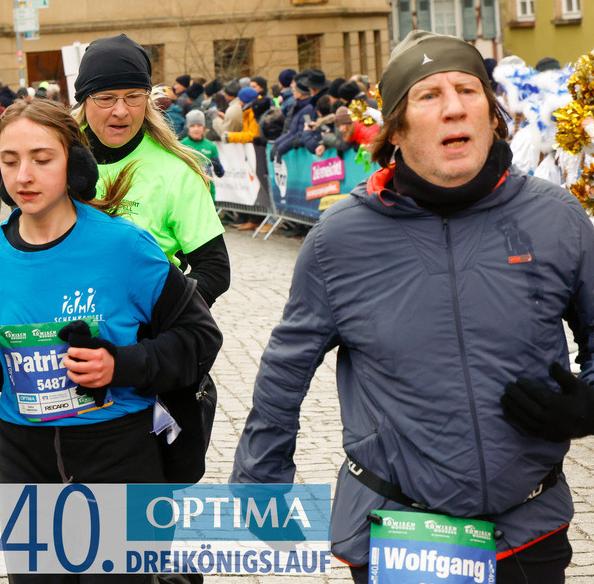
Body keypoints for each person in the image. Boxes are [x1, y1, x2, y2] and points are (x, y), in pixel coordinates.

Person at [231, 30, 588, 584]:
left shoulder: (555, 216)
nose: (453, 108)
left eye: (469, 91)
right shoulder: (339, 239)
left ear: (493, 116)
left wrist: (590, 405)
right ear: (394, 129)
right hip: (401, 531)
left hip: (528, 524)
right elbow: (285, 369)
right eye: (429, 95)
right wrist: (261, 484)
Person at [0, 98, 221, 583]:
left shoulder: (123, 246)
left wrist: (121, 365)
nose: (23, 175)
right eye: (9, 161)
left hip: (119, 453)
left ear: (74, 163)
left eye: (42, 159)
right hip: (24, 457)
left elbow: (199, 337)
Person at [70, 34, 229, 307]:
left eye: (133, 97)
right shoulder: (55, 159)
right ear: (85, 100)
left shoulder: (176, 171)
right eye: (106, 98)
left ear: (148, 99)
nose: (121, 111)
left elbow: (215, 270)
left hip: (144, 340)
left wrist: (158, 317)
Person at [180, 110, 223, 200]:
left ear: (204, 127)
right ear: (188, 128)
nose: (196, 129)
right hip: (187, 191)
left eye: (199, 125)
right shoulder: (181, 145)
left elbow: (220, 174)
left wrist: (218, 167)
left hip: (207, 191)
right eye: (192, 126)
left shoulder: (211, 145)